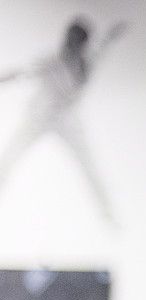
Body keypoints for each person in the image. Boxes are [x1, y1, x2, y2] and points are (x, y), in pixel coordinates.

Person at [0, 16, 127, 225]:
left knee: (88, 165)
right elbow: (20, 73)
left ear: (81, 45)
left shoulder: (87, 62)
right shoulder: (52, 61)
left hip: (66, 120)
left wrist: (113, 34)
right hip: (38, 117)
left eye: (75, 43)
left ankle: (108, 214)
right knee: (8, 159)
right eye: (68, 41)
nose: (69, 46)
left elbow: (102, 46)